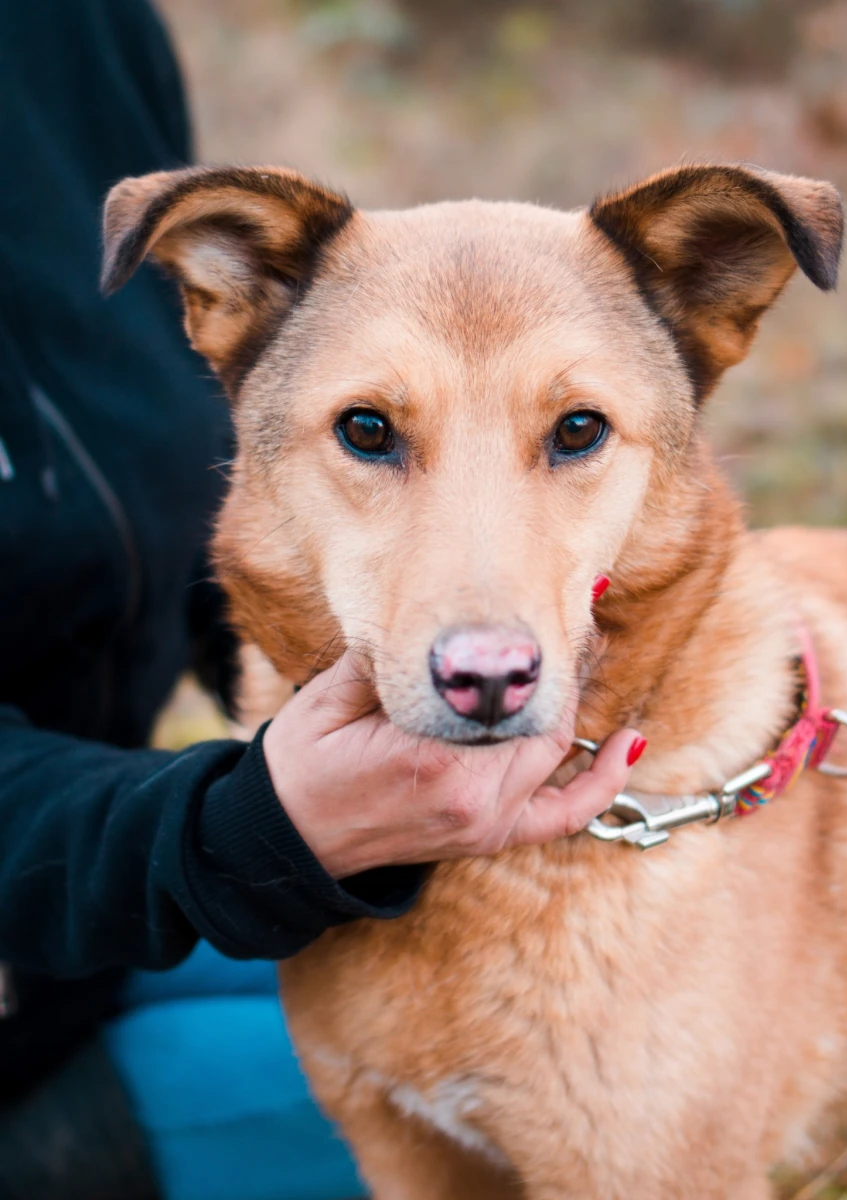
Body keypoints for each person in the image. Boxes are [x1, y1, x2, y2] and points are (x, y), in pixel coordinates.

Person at [0, 3, 640, 1197]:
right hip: (44, 974)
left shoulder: (66, 25)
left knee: (608, 1004)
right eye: (371, 433)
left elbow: (176, 484)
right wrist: (241, 834)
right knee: (578, 1103)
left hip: (76, 917)